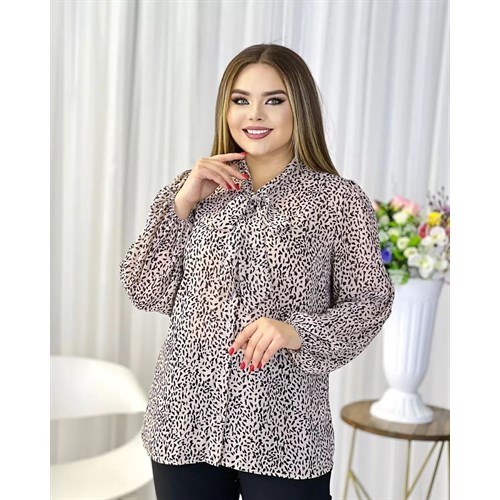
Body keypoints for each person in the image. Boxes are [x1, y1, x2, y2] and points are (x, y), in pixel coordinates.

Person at [120, 43, 394, 500]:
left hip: (285, 429)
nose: (255, 115)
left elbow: (370, 302)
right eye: (241, 100)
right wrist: (181, 205)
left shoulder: (339, 200)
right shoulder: (192, 188)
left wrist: (297, 331)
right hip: (184, 420)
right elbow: (144, 289)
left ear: (299, 107)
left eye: (274, 100)